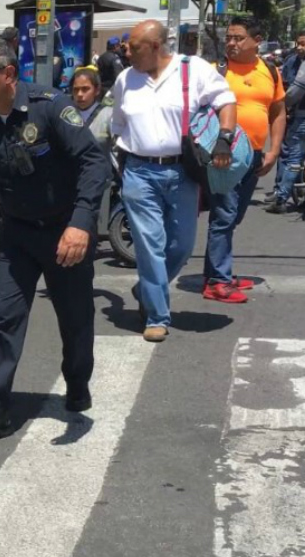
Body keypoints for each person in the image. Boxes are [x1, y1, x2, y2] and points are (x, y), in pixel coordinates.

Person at [0, 38, 111, 443]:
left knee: (76, 320)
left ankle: (77, 383)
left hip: (65, 234)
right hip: (17, 238)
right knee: (4, 319)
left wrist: (81, 224)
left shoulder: (51, 107)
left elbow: (94, 163)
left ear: (7, 74)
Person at [111, 20, 236, 342]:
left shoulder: (192, 69)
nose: (127, 52)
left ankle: (147, 288)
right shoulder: (125, 79)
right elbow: (118, 126)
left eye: (133, 47)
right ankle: (156, 316)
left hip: (182, 171)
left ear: (156, 46)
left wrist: (224, 139)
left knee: (180, 245)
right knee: (150, 246)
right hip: (139, 172)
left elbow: (226, 101)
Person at [202, 17, 285, 303]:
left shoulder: (271, 72)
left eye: (238, 38)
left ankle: (217, 272)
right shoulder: (216, 71)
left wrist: (274, 151)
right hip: (225, 157)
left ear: (256, 41)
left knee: (233, 217)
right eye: (229, 38)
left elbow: (277, 111)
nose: (231, 43)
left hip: (256, 156)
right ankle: (217, 281)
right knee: (224, 216)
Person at [270, 30, 305, 213]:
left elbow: (295, 92)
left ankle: (281, 198)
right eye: (299, 43)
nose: (300, 47)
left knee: (294, 158)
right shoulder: (292, 61)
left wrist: (284, 105)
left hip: (301, 118)